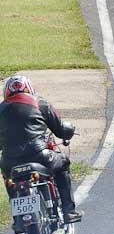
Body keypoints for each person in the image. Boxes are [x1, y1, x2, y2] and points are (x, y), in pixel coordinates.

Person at [0, 74, 83, 223]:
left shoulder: (0, 109)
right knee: (63, 162)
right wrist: (69, 131)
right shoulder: (39, 103)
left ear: (6, 92)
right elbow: (60, 130)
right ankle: (69, 211)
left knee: (9, 179)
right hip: (40, 155)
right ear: (29, 88)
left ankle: (18, 220)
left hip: (10, 161)